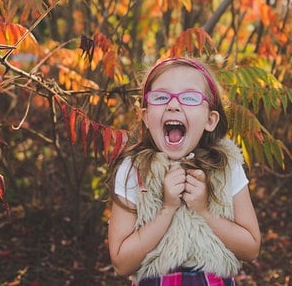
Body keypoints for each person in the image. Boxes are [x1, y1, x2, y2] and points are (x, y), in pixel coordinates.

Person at [107, 57, 261, 285]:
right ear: (146, 117)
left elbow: (250, 248)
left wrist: (204, 210)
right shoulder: (134, 171)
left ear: (210, 119)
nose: (173, 105)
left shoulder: (227, 167)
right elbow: (121, 263)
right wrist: (167, 210)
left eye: (189, 97)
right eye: (161, 97)